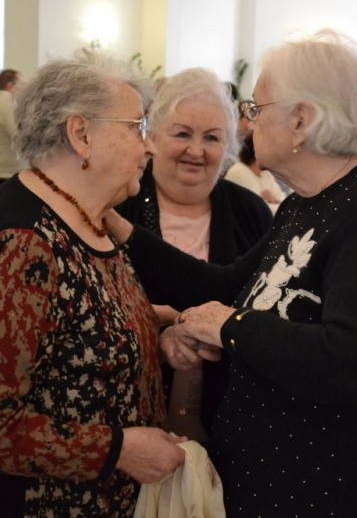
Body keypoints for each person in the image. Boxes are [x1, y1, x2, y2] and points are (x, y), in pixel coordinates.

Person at [106, 28, 357, 517]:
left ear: (301, 121)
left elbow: (356, 360)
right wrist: (119, 228)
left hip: (338, 492)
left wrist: (229, 325)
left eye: (257, 109)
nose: (246, 124)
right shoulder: (307, 202)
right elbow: (226, 285)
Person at [0, 51, 186, 517]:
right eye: (137, 128)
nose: (149, 147)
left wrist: (151, 325)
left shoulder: (81, 217)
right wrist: (119, 450)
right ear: (81, 135)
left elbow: (68, 325)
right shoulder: (25, 245)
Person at [116, 68, 273, 442]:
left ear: (229, 146)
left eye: (212, 138)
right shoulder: (119, 208)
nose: (196, 151)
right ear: (153, 136)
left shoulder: (251, 212)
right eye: (183, 134)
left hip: (230, 421)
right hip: (132, 419)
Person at [224, 133, 287, 213]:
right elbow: (258, 210)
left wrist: (272, 200)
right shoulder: (239, 172)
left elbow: (283, 198)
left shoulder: (265, 172)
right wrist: (273, 202)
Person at [0, 68, 24, 191]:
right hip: (5, 173)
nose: (23, 88)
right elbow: (18, 136)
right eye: (21, 83)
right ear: (10, 85)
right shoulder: (7, 104)